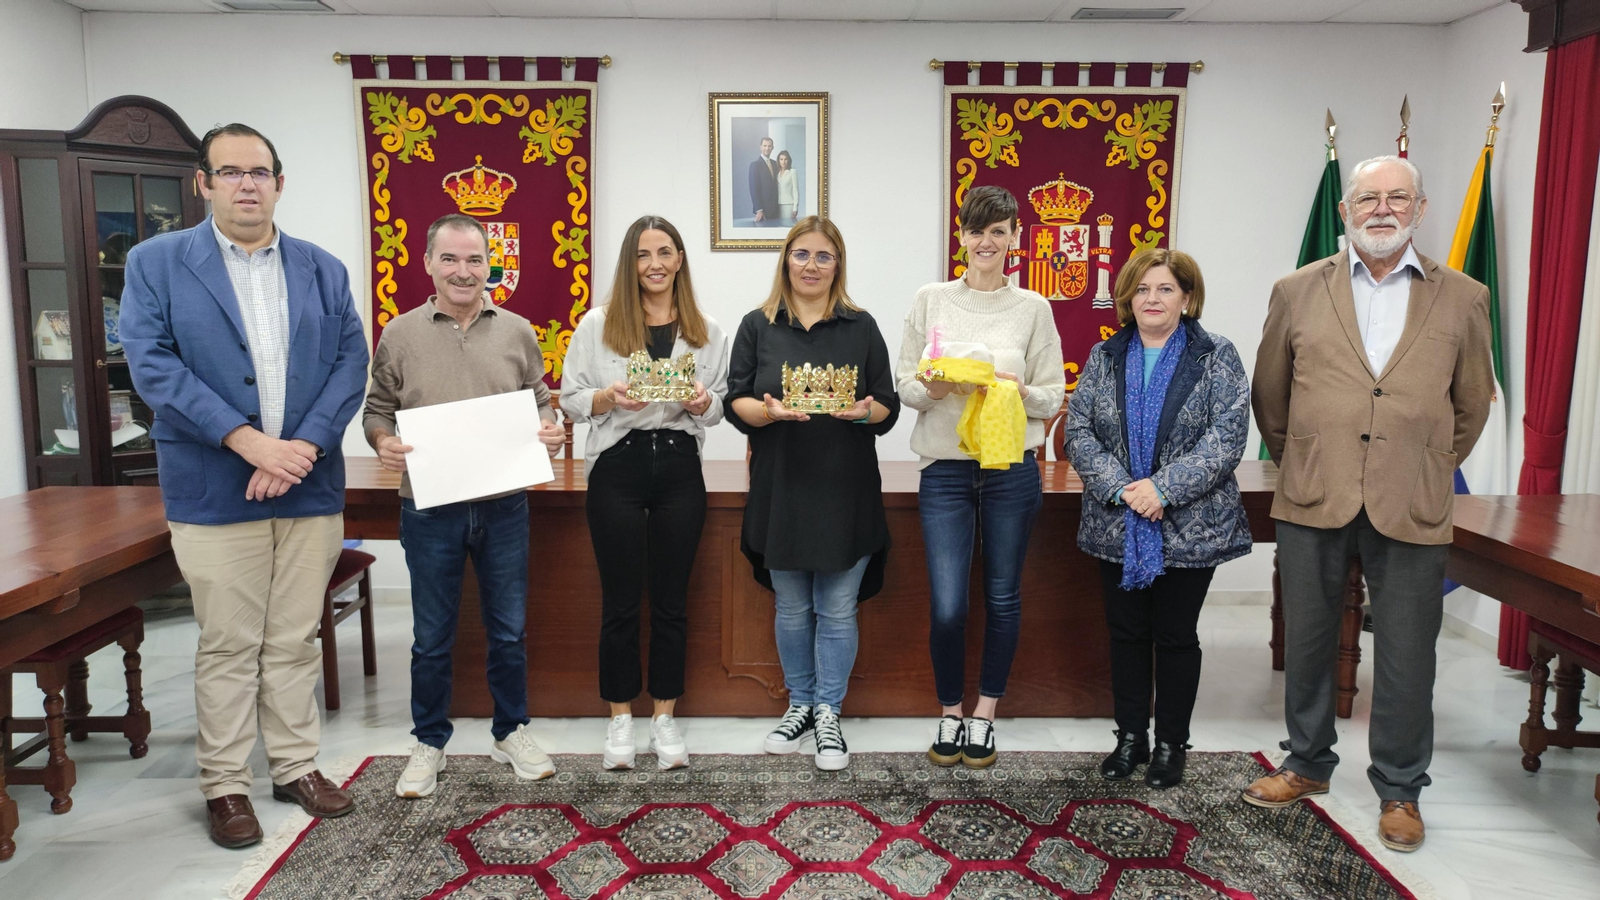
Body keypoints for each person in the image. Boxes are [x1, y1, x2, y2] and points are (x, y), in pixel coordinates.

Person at [120, 124, 369, 849]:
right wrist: (249, 441)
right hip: (212, 483)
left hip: (308, 483)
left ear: (280, 183)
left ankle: (295, 765)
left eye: (259, 172)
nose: (247, 184)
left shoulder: (321, 268)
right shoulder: (157, 263)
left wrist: (302, 448)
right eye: (230, 172)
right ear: (204, 183)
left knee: (293, 638)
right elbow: (154, 367)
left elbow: (350, 362)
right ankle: (225, 785)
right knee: (230, 642)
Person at [1246, 156, 1493, 852]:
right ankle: (1306, 763)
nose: (1381, 209)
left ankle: (1401, 788)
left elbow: (1471, 405)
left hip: (1411, 497)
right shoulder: (1296, 291)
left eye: (1396, 198)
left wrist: (1424, 460)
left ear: (1420, 207)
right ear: (1346, 210)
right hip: (1314, 490)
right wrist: (1310, 455)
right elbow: (1272, 397)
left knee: (1411, 652)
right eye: (1367, 198)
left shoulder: (1464, 297)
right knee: (1311, 639)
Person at [362, 214, 567, 799]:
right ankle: (429, 741)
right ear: (427, 263)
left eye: (475, 260)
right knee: (431, 636)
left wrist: (549, 426)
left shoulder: (518, 330)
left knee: (507, 631)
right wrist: (383, 441)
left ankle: (511, 730)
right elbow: (376, 409)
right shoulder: (400, 333)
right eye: (450, 259)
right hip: (429, 508)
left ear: (490, 267)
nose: (463, 271)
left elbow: (541, 400)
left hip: (504, 507)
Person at [1064, 249, 1251, 789]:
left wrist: (1163, 488)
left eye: (1165, 289)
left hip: (1189, 525)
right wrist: (1125, 489)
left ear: (1187, 298)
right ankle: (1129, 739)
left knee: (1174, 635)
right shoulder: (1105, 356)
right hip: (1116, 520)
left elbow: (1228, 434)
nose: (1152, 299)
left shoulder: (1216, 356)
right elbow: (1079, 433)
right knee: (1124, 633)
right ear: (1127, 298)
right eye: (1142, 289)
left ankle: (1170, 743)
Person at [896, 185, 1065, 769]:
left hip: (1011, 469)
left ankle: (984, 716)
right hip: (944, 469)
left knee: (1002, 597)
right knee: (947, 603)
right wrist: (939, 385)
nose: (987, 242)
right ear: (961, 236)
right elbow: (906, 386)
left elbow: (1052, 395)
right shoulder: (931, 300)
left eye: (999, 231)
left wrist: (1017, 390)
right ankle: (949, 710)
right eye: (977, 230)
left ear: (1015, 236)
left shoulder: (1033, 309)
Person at [727, 216, 899, 770]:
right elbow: (736, 402)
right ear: (786, 260)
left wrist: (863, 410)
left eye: (823, 257)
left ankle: (829, 711)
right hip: (782, 486)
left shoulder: (861, 325)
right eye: (801, 254)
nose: (811, 266)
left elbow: (886, 406)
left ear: (838, 265)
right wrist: (768, 411)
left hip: (845, 486)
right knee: (794, 608)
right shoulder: (758, 325)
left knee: (839, 607)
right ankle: (800, 703)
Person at [560, 215, 729, 770]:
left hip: (680, 466)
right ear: (629, 262)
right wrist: (607, 399)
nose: (654, 263)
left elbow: (720, 405)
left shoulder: (708, 330)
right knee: (620, 602)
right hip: (618, 467)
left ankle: (664, 717)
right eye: (642, 254)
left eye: (665, 252)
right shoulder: (600, 324)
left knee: (673, 602)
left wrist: (704, 403)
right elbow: (570, 398)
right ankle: (619, 721)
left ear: (680, 258)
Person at [748, 136, 781, 226]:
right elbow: (754, 189)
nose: (767, 148)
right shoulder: (755, 165)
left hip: (776, 208)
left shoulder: (775, 164)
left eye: (769, 146)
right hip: (764, 210)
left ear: (772, 148)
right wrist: (759, 210)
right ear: (760, 147)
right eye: (765, 145)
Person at [776, 150, 799, 224]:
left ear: (788, 160)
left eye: (785, 159)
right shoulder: (777, 173)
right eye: (781, 159)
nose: (783, 162)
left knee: (787, 225)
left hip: (788, 204)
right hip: (778, 204)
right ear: (778, 160)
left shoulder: (792, 172)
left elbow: (795, 190)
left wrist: (795, 208)